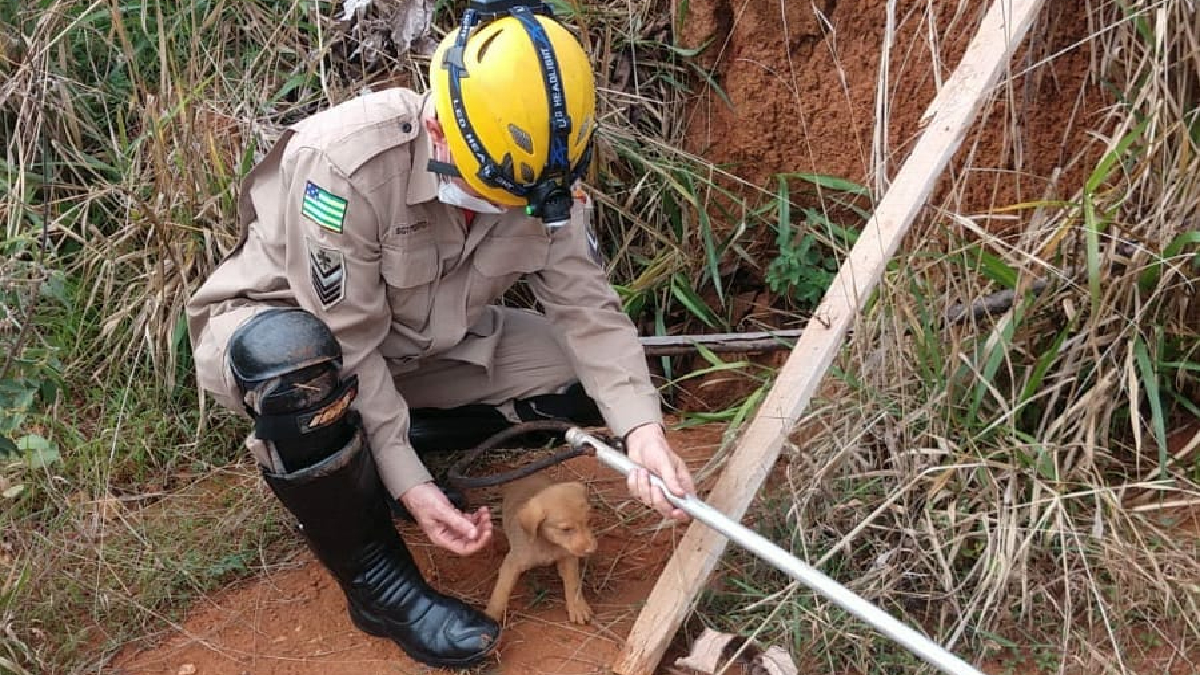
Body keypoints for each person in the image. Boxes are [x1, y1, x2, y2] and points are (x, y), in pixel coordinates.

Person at [185, 0, 696, 669]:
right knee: (295, 366)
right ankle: (378, 581)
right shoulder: (345, 165)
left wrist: (642, 432)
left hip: (424, 346)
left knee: (583, 379)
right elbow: (353, 343)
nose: (509, 213)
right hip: (299, 336)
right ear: (438, 127)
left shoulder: (541, 164)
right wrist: (412, 486)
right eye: (492, 194)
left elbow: (590, 311)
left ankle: (382, 443)